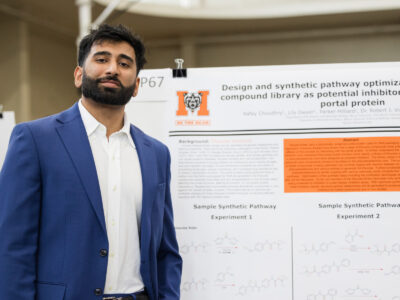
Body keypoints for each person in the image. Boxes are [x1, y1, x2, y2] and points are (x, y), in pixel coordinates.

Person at [0, 24, 182, 300]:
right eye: (101, 59)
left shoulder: (156, 154)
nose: (113, 69)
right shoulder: (35, 140)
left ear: (136, 86)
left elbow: (165, 249)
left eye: (124, 63)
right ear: (78, 75)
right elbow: (12, 246)